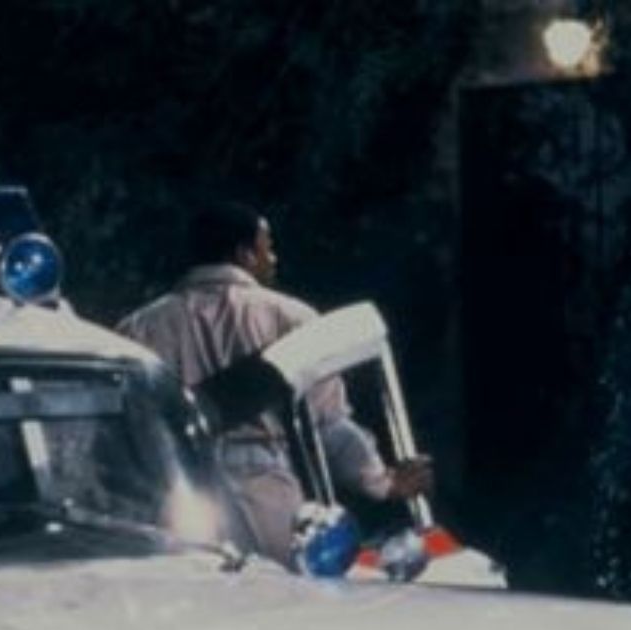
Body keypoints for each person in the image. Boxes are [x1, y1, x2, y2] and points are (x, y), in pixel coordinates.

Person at [115, 201, 432, 564]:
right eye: (268, 248)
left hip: (179, 500)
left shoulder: (137, 327)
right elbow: (329, 426)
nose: (274, 259)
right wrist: (383, 483)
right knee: (281, 594)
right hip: (268, 496)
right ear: (245, 254)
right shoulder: (292, 319)